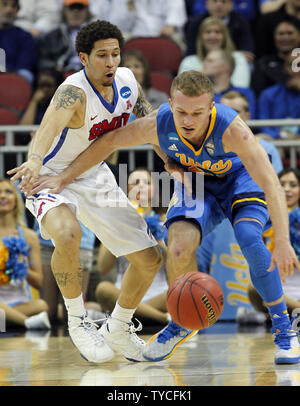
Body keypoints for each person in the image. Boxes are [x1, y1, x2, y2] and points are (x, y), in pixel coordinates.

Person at [26, 70, 300, 364]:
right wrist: (63, 178)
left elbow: (271, 182)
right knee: (178, 246)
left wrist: (283, 241)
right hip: (195, 183)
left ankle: (285, 332)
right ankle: (181, 322)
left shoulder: (234, 129)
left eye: (197, 113)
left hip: (239, 182)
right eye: (181, 111)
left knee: (248, 237)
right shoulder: (159, 123)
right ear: (170, 103)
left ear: (212, 107)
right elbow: (108, 142)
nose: (188, 121)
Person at [7, 20, 162, 364]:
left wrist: (174, 162)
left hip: (93, 173)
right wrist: (33, 160)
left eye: (115, 54)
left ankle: (119, 327)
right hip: (48, 175)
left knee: (149, 260)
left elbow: (150, 125)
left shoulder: (127, 83)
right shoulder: (72, 92)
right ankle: (78, 322)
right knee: (68, 233)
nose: (111, 62)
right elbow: (47, 127)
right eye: (102, 55)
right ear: (83, 58)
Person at [96, 168, 169, 325]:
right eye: (135, 182)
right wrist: (119, 229)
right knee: (103, 289)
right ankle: (162, 319)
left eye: (147, 182)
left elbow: (176, 265)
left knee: (175, 294)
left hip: (158, 295)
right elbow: (103, 266)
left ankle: (122, 318)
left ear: (154, 190)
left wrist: (158, 239)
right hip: (124, 294)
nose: (140, 186)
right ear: (126, 190)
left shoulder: (166, 221)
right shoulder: (116, 221)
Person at [247, 168, 300, 325]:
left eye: (293, 185)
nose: (287, 189)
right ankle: (288, 312)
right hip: (279, 284)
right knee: (254, 289)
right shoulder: (265, 218)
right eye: (282, 184)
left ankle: (283, 313)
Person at [0, 178, 50, 330]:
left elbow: (38, 282)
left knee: (41, 305)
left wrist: (20, 267)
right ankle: (27, 323)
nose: (2, 196)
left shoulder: (29, 236)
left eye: (8, 192)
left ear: (16, 199)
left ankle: (7, 320)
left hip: (21, 304)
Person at [178, 16, 251, 88]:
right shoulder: (189, 61)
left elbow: (241, 88)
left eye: (217, 32)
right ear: (201, 38)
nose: (212, 36)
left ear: (225, 37)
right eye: (208, 32)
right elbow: (182, 91)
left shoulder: (237, 58)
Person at [37, 0, 94, 76]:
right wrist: (56, 68)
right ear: (64, 11)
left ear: (87, 11)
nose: (75, 11)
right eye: (71, 7)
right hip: (59, 75)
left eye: (80, 7)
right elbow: (43, 61)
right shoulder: (52, 36)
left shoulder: (96, 35)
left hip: (88, 73)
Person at [185, 0, 255, 63]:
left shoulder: (241, 22)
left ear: (231, 5)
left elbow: (248, 55)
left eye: (223, 1)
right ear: (206, 4)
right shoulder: (196, 23)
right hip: (202, 62)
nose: (219, 4)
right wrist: (235, 55)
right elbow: (190, 53)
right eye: (215, 1)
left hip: (233, 64)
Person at [251, 16, 300, 97]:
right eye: (281, 34)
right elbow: (257, 94)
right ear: (274, 37)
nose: (285, 38)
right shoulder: (263, 64)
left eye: (290, 33)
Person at [202, 48, 256, 118]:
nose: (204, 64)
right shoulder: (200, 95)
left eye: (210, 61)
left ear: (225, 66)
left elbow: (250, 122)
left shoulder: (245, 93)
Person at [258, 53, 300, 139]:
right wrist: (281, 136)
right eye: (291, 65)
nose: (295, 70)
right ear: (284, 68)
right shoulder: (268, 94)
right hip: (276, 142)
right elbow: (263, 126)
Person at [0, 0, 36, 84]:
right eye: (4, 4)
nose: (9, 10)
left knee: (26, 75)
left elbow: (25, 65)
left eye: (13, 6)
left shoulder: (24, 36)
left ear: (17, 10)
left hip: (14, 75)